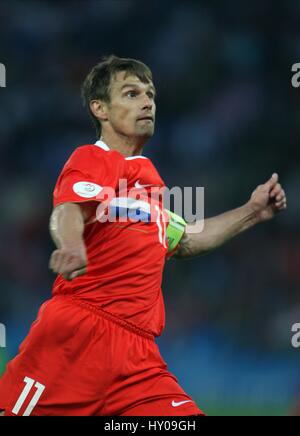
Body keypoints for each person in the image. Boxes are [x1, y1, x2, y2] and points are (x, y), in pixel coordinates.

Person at [0, 55, 287, 416]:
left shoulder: (150, 182)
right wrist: (72, 246)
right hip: (77, 339)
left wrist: (252, 212)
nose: (147, 101)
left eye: (149, 94)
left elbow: (187, 240)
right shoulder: (93, 158)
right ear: (100, 108)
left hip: (137, 359)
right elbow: (69, 209)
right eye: (132, 93)